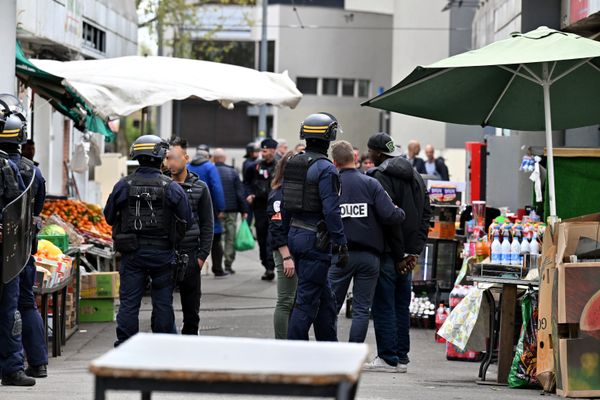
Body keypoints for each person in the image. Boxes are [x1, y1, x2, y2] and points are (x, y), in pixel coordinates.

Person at [104, 135, 193, 346]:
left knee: (128, 303)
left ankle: (126, 346)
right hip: (163, 254)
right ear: (162, 157)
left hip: (132, 254)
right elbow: (187, 220)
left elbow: (108, 217)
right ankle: (161, 346)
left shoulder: (123, 185)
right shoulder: (171, 187)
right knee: (162, 303)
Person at [366, 132, 431, 373]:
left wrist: (398, 253)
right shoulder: (416, 176)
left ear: (378, 153)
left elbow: (388, 218)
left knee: (383, 304)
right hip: (407, 253)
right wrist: (413, 251)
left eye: (370, 151)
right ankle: (401, 356)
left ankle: (388, 358)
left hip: (387, 253)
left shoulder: (379, 176)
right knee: (401, 304)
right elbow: (427, 213)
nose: (368, 155)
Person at [328, 141, 405, 343]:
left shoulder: (331, 185)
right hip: (369, 257)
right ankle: (353, 353)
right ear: (355, 159)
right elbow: (391, 215)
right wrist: (400, 211)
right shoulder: (371, 184)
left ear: (334, 162)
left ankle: (330, 352)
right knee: (361, 309)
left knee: (331, 307)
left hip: (339, 255)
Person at [283, 112, 347, 341]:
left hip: (295, 235)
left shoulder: (293, 162)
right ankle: (295, 352)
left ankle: (328, 348)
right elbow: (331, 210)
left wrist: (285, 237)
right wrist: (341, 241)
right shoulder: (326, 169)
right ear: (329, 138)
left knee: (326, 299)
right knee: (307, 302)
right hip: (315, 241)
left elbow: (286, 204)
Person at [0, 114, 48, 379]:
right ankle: (36, 363)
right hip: (19, 248)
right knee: (25, 304)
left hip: (11, 245)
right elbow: (35, 208)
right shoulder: (32, 170)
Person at [0, 95, 35, 387]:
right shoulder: (9, 167)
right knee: (9, 309)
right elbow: (21, 207)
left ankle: (12, 367)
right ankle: (11, 368)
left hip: (5, 251)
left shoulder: (8, 167)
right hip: (5, 252)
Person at [165, 137, 213, 335]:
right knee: (163, 304)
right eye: (167, 158)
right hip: (165, 252)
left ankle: (190, 339)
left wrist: (202, 256)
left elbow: (207, 223)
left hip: (191, 253)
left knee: (191, 305)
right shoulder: (162, 185)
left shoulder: (200, 187)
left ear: (185, 158)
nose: (170, 163)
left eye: (174, 158)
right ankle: (165, 339)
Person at [267, 151, 296, 339]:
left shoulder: (295, 190)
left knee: (294, 301)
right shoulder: (279, 193)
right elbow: (276, 227)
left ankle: (292, 341)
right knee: (286, 300)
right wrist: (286, 257)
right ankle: (283, 344)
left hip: (297, 250)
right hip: (285, 251)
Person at [188, 145, 228, 277]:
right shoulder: (210, 167)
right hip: (209, 208)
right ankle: (217, 269)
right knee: (215, 239)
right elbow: (217, 188)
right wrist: (221, 208)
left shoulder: (188, 166)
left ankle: (190, 267)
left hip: (191, 207)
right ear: (207, 157)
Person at [246, 138, 278, 281]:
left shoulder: (280, 166)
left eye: (265, 151)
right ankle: (266, 265)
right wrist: (249, 194)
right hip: (259, 208)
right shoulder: (255, 167)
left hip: (275, 207)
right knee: (262, 236)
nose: (263, 154)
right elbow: (246, 184)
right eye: (261, 151)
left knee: (272, 237)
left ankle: (271, 267)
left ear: (273, 151)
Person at [213, 148, 248, 274]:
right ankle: (228, 263)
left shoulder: (211, 171)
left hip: (217, 211)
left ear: (213, 158)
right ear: (225, 158)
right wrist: (244, 210)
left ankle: (218, 264)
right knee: (230, 237)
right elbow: (240, 193)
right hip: (232, 210)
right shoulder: (232, 172)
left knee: (218, 238)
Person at [242, 142, 260, 227]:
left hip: (255, 192)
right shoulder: (248, 163)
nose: (258, 153)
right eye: (255, 151)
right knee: (249, 216)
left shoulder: (254, 162)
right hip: (249, 192)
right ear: (250, 152)